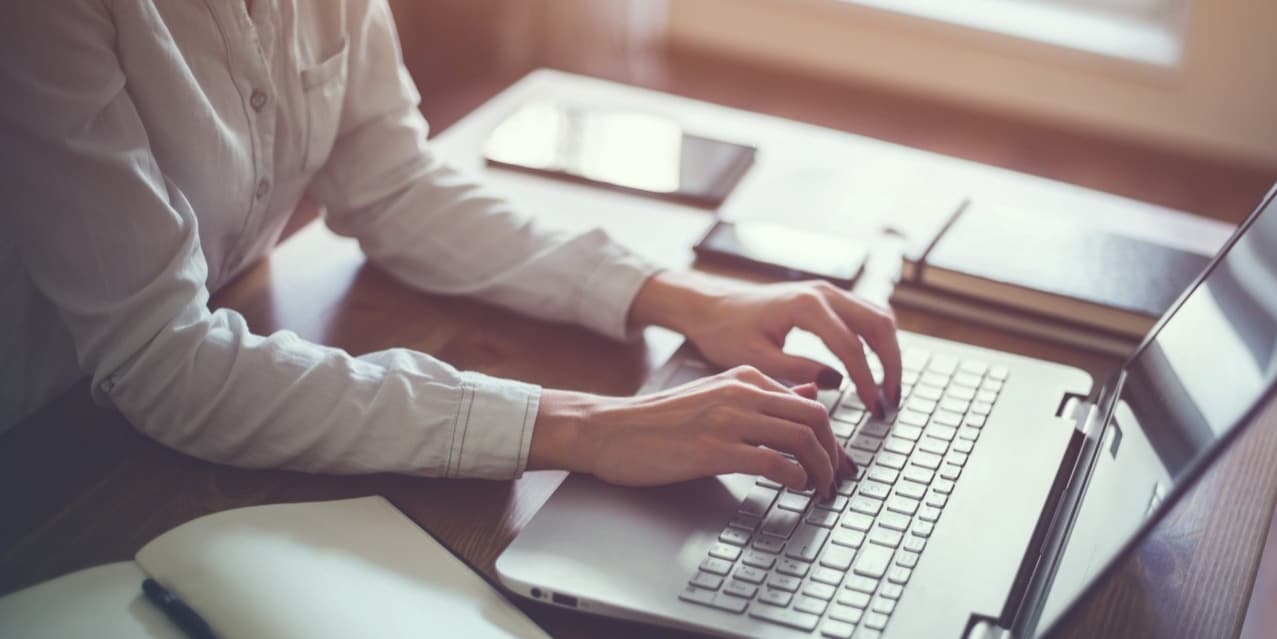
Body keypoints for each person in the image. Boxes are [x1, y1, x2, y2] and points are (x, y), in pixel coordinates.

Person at [0, 0, 900, 502]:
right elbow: (164, 359)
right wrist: (582, 426)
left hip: (195, 401)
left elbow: (391, 182)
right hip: (43, 461)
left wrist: (676, 296)